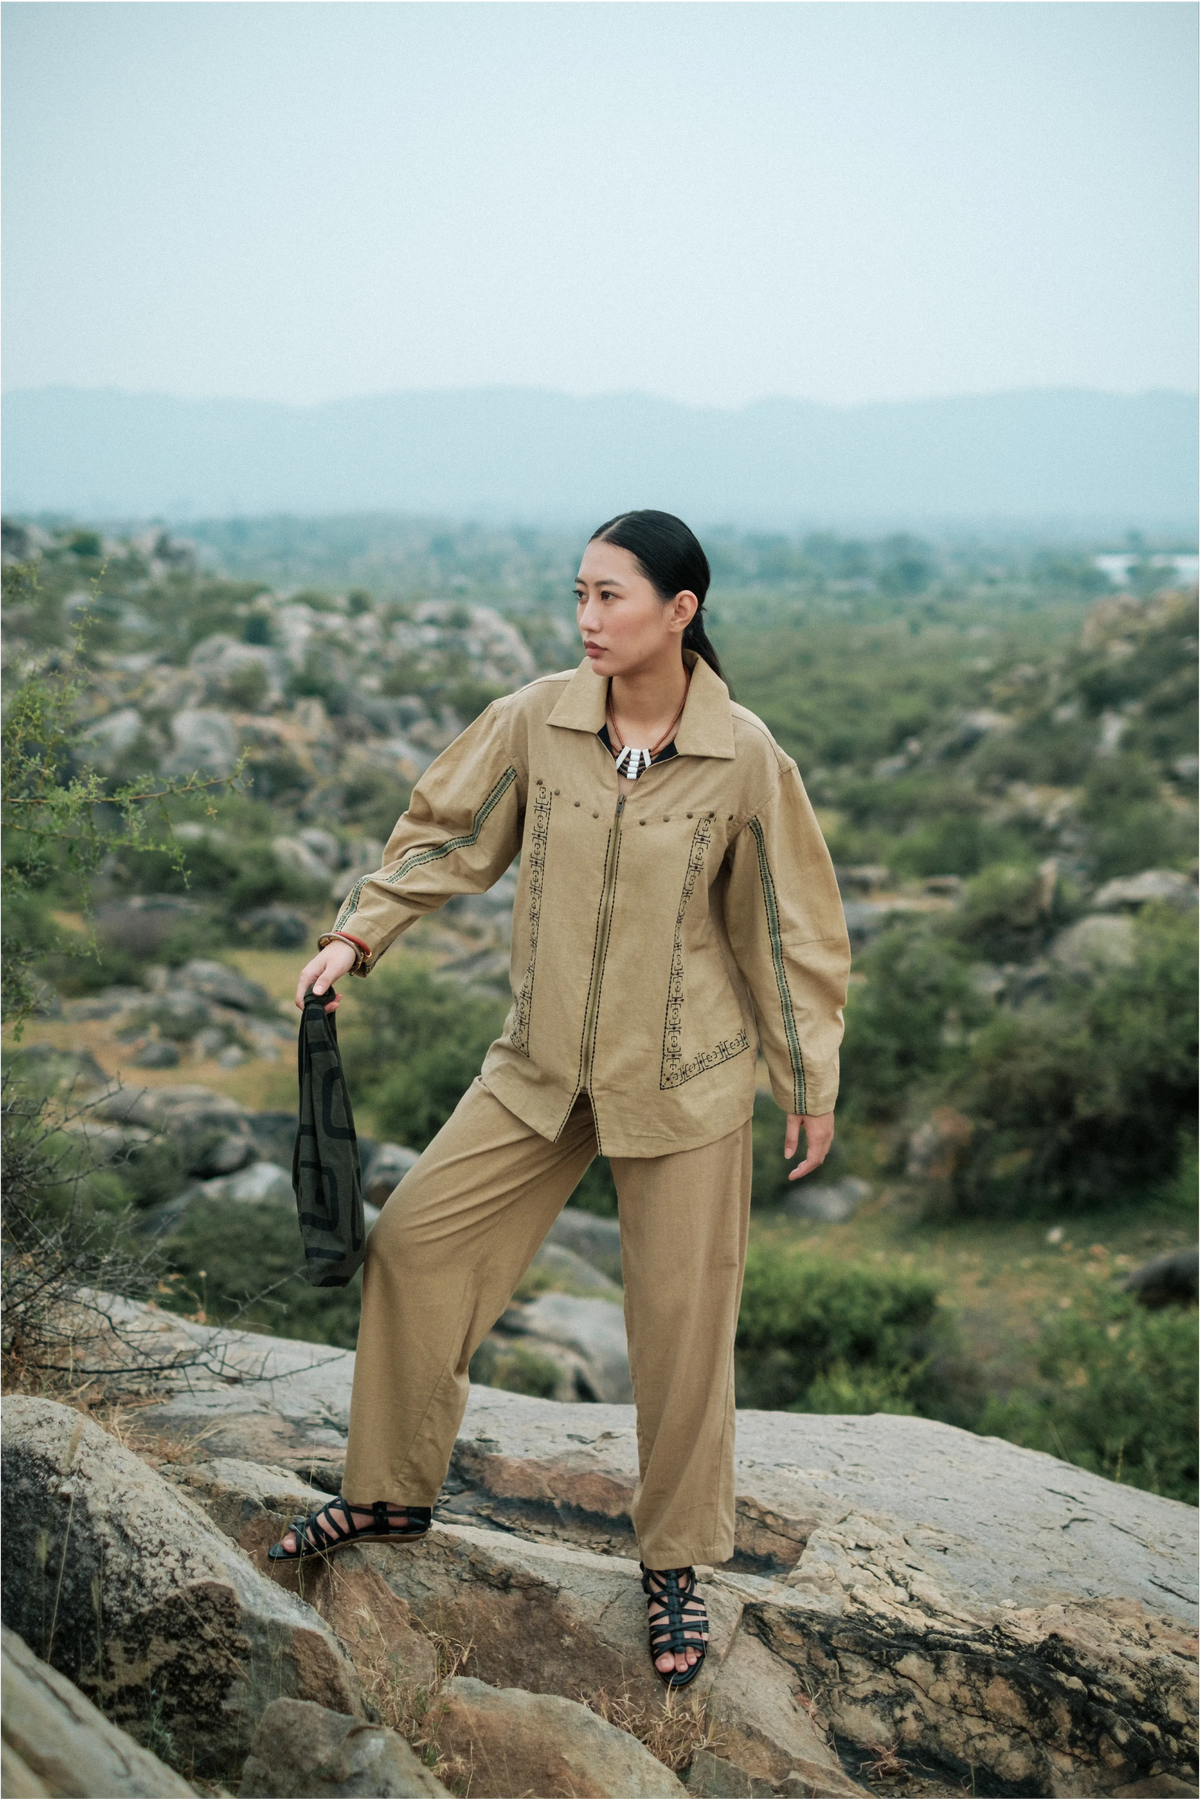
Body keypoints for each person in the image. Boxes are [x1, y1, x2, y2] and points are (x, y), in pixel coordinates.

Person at [269, 510, 850, 1686]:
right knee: (416, 1246)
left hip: (683, 1078)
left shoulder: (745, 758)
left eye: (610, 597)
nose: (587, 618)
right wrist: (357, 934)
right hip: (537, 1067)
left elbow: (789, 925)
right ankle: (387, 1494)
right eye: (579, 593)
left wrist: (808, 1077)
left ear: (680, 611)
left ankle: (675, 1564)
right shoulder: (537, 721)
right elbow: (446, 836)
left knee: (681, 1330)